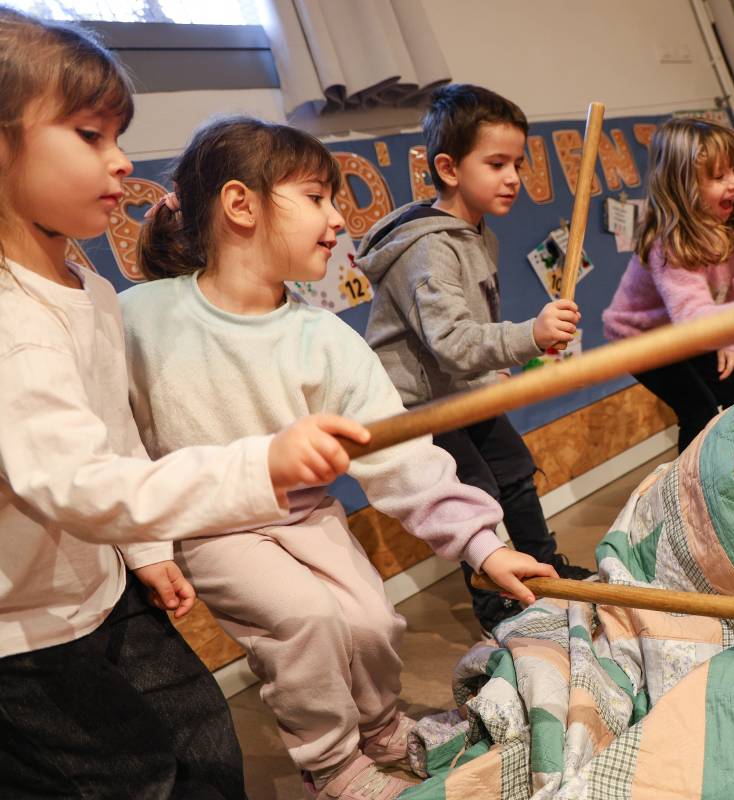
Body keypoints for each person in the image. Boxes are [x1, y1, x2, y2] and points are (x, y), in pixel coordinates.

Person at [121, 116, 556, 799]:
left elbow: (401, 454)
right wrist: (145, 548)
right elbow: (116, 442)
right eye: (317, 198)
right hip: (215, 527)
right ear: (241, 205)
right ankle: (332, 767)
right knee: (308, 623)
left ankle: (383, 734)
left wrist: (482, 545)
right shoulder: (139, 318)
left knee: (370, 621)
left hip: (305, 514)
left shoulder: (323, 336)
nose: (337, 220)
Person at [0, 12, 369, 798]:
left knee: (205, 748)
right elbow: (78, 484)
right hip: (19, 638)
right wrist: (259, 463)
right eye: (89, 134)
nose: (121, 158)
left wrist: (147, 554)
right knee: (132, 778)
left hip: (102, 589)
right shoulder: (13, 325)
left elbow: (116, 437)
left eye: (116, 135)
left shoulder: (90, 288)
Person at [354, 84, 589, 635]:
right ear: (449, 168)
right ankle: (495, 602)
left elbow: (469, 337)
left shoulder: (476, 233)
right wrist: (530, 335)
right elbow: (453, 342)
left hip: (459, 390)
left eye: (519, 163)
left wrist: (488, 371)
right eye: (497, 163)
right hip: (418, 406)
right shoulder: (430, 248)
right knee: (475, 490)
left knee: (514, 470)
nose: (513, 177)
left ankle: (542, 569)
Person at [602, 118, 734, 450]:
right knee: (698, 409)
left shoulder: (719, 223)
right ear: (682, 187)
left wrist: (731, 342)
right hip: (641, 339)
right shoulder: (669, 245)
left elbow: (728, 293)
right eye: (717, 177)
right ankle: (686, 490)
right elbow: (693, 316)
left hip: (681, 330)